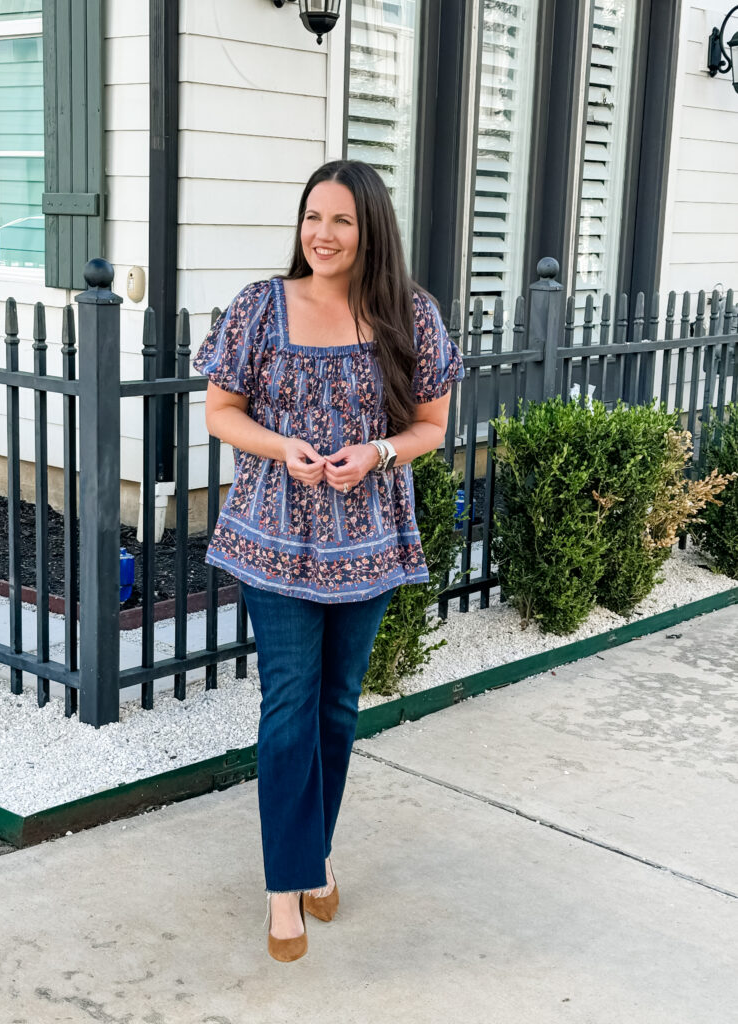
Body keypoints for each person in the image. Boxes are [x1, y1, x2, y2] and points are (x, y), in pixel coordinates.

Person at [192, 159, 464, 962]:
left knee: (337, 710)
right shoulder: (259, 306)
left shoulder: (410, 315)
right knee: (287, 711)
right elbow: (220, 412)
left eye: (341, 220)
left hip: (367, 545)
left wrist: (377, 451)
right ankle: (286, 888)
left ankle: (315, 855)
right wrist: (284, 449)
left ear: (369, 228)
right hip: (272, 540)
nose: (323, 234)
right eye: (313, 216)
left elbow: (430, 427)